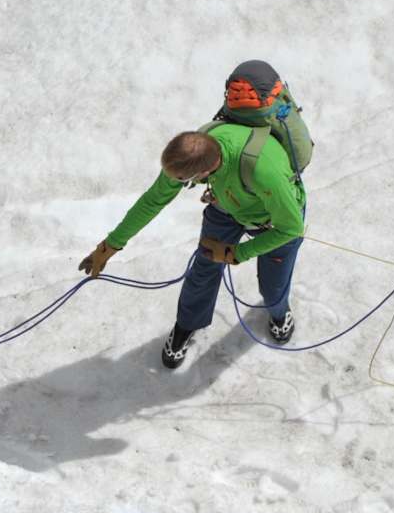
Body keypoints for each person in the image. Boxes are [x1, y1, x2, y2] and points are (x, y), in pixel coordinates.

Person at [79, 62, 307, 369]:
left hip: (272, 220)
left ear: (204, 172)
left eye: (184, 181)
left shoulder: (263, 169)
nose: (177, 183)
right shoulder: (198, 147)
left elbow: (291, 228)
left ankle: (279, 313)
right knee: (202, 270)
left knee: (273, 284)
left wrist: (237, 253)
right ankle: (186, 326)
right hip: (226, 206)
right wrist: (110, 245)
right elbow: (153, 200)